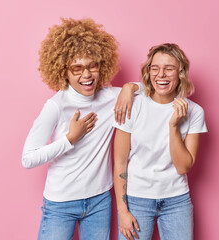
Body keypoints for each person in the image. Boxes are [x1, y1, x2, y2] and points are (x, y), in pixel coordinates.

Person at [22, 18, 141, 240]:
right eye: (77, 68)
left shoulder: (111, 98)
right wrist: (70, 138)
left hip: (99, 201)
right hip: (60, 203)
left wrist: (129, 87)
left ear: (101, 65)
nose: (86, 75)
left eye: (92, 65)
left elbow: (151, 90)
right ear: (63, 71)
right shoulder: (56, 105)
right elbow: (28, 159)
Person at [113, 43, 208, 240]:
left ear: (180, 72)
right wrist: (122, 211)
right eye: (155, 68)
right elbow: (120, 162)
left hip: (177, 201)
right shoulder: (133, 104)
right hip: (137, 199)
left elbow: (183, 167)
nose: (161, 75)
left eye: (169, 69)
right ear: (148, 71)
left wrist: (173, 127)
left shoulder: (194, 111)